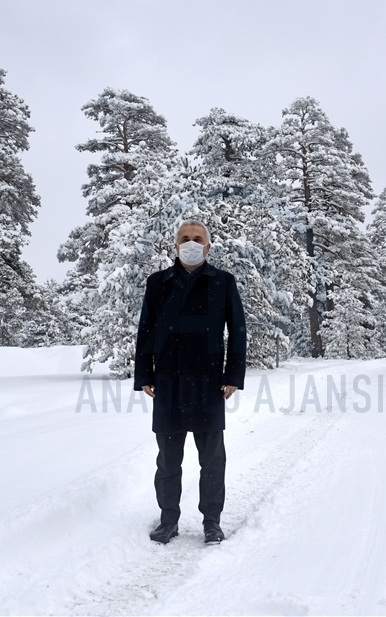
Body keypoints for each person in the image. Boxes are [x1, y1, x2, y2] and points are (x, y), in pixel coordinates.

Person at [134, 219, 246, 544]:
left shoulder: (223, 282)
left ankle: (212, 522)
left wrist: (233, 376)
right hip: (168, 383)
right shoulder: (157, 284)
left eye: (198, 238)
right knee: (168, 462)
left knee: (212, 461)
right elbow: (145, 330)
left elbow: (237, 330)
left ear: (208, 246)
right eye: (185, 238)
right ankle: (168, 520)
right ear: (175, 245)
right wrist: (144, 375)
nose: (191, 242)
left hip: (210, 384)